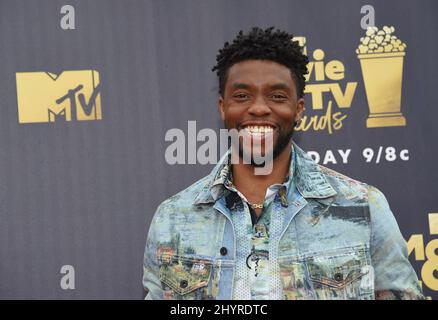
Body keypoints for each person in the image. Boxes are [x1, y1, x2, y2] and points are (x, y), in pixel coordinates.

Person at [142, 27, 424, 300]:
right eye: (242, 96)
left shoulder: (363, 207)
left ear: (299, 109)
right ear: (222, 107)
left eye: (277, 96)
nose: (259, 108)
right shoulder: (172, 219)